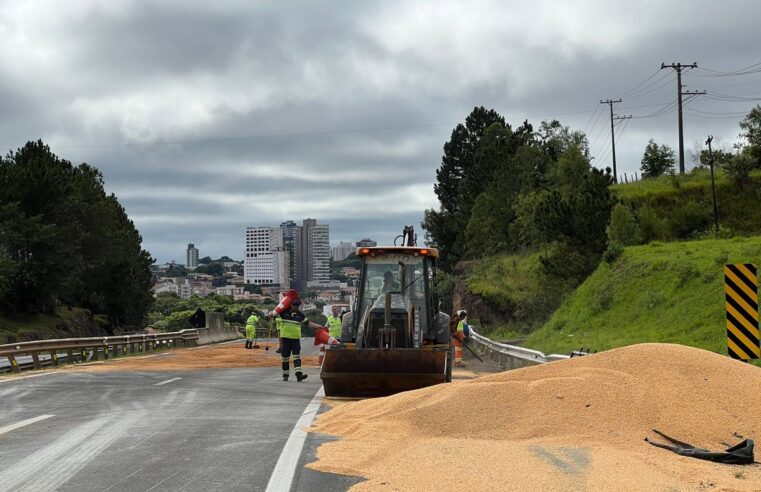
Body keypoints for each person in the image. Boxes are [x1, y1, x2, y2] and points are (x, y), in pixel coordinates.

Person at [271, 299, 322, 381]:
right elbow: (272, 315)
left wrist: (318, 326)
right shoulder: (284, 312)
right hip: (285, 338)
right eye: (295, 306)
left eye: (298, 306)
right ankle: (285, 375)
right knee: (285, 358)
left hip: (295, 339)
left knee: (297, 357)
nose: (297, 307)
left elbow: (308, 323)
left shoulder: (300, 315)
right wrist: (273, 313)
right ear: (291, 305)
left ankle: (299, 375)